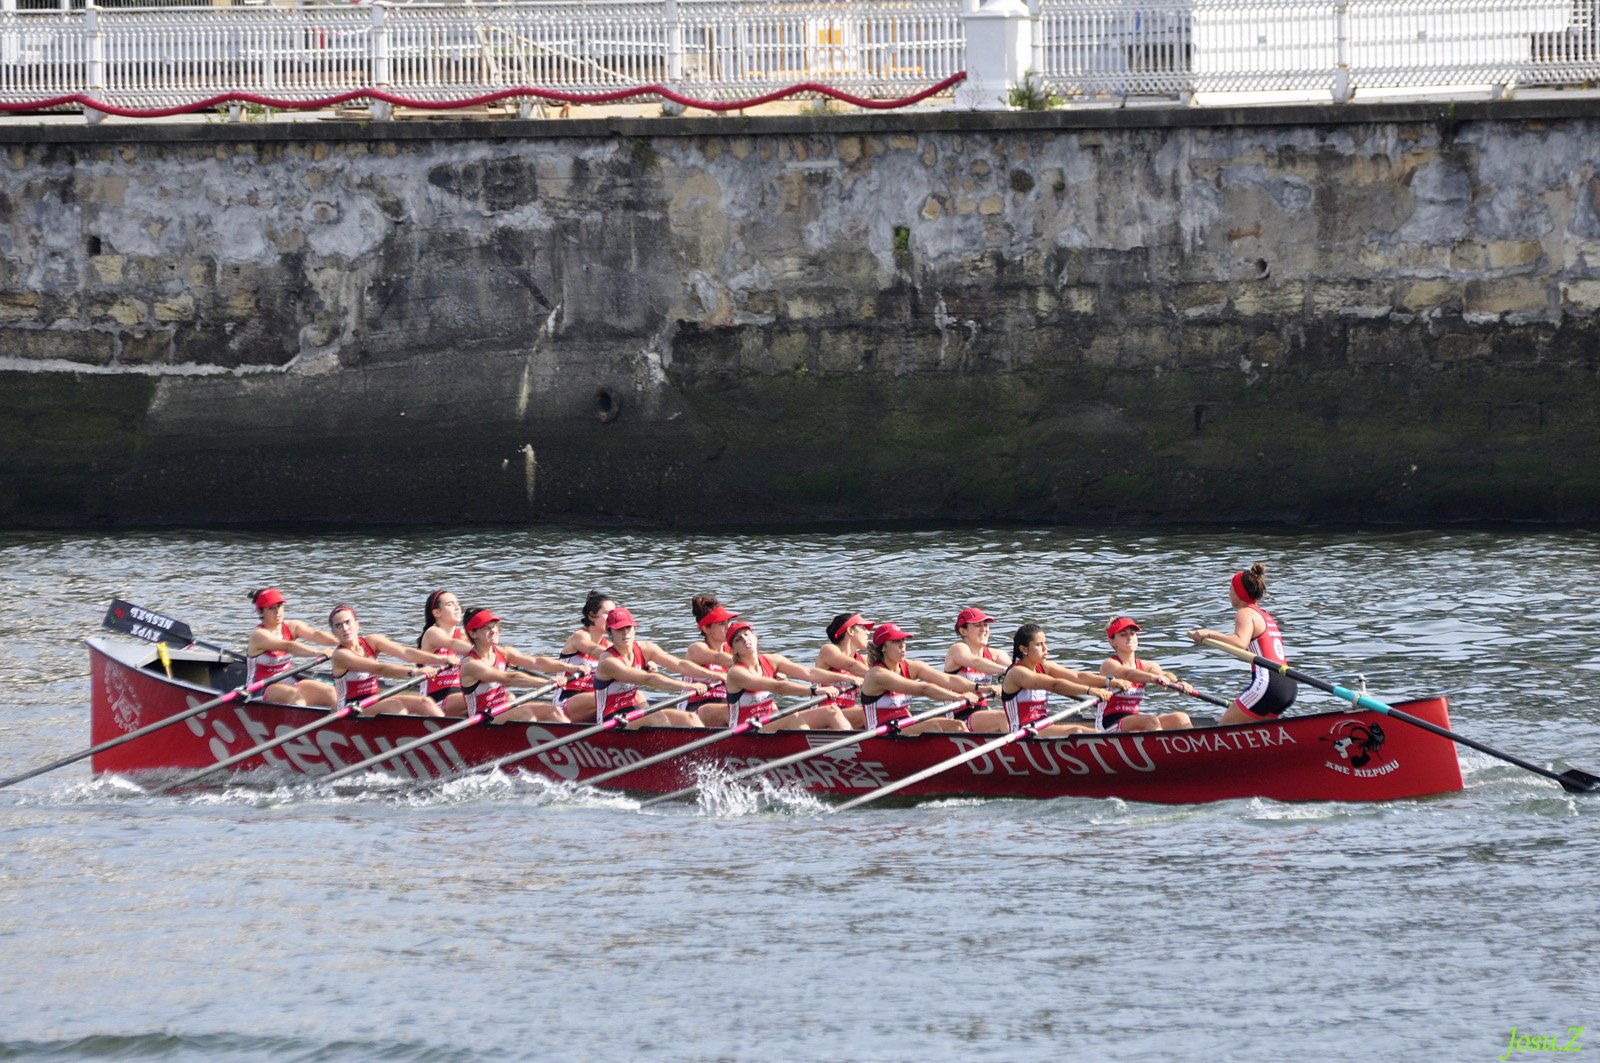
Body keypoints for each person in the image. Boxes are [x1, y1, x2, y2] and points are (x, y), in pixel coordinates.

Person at [1188, 563, 1297, 725]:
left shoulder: (1245, 612)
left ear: (1239, 593)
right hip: (1288, 684)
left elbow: (1240, 642)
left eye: (1230, 589)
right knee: (1260, 733)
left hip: (1268, 684)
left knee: (1223, 729)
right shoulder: (1265, 615)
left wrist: (1209, 633)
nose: (1228, 593)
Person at [979, 624, 1130, 737]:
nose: (1046, 649)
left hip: (1042, 727)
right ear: (1024, 649)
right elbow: (1054, 684)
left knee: (1094, 733)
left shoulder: (1043, 666)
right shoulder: (1017, 673)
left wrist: (1109, 682)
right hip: (1023, 733)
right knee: (1076, 731)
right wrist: (1089, 691)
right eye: (1039, 645)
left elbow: (1077, 676)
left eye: (1045, 643)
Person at [593, 606, 715, 728]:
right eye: (619, 629)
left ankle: (702, 741)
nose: (625, 633)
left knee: (690, 718)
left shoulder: (645, 649)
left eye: (628, 627)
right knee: (657, 718)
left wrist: (715, 675)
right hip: (610, 721)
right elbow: (648, 679)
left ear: (634, 629)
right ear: (609, 632)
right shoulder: (608, 661)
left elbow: (679, 664)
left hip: (632, 711)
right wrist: (689, 686)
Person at [724, 620, 853, 731]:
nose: (744, 639)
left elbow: (809, 673)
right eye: (738, 639)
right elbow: (777, 687)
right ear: (733, 650)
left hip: (769, 721)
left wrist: (846, 678)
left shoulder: (772, 660)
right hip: (746, 730)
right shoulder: (736, 672)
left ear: (755, 637)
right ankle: (811, 749)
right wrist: (814, 690)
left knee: (831, 711)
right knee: (794, 718)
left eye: (746, 634)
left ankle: (853, 748)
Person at [457, 607, 574, 724]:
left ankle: (570, 734)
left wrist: (571, 668)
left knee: (554, 711)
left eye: (494, 626)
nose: (493, 631)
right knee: (525, 713)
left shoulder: (504, 652)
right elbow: (509, 679)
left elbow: (536, 662)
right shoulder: (471, 664)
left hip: (502, 711)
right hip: (482, 720)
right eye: (487, 628)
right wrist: (546, 682)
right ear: (473, 634)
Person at [858, 623, 977, 734]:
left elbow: (948, 679)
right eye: (896, 641)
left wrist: (980, 688)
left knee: (958, 725)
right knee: (933, 727)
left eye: (903, 640)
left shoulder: (910, 666)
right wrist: (957, 697)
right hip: (881, 733)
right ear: (883, 647)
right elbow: (924, 689)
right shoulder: (877, 674)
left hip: (903, 725)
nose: (902, 645)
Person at [326, 604, 444, 717]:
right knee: (394, 705)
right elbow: (379, 668)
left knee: (425, 702)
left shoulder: (372, 641)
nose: (345, 628)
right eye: (338, 626)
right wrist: (414, 671)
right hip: (350, 709)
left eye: (348, 622)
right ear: (334, 633)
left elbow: (405, 652)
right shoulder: (340, 655)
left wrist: (441, 659)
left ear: (357, 624)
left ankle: (445, 728)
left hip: (372, 701)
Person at [244, 587, 337, 708]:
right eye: (271, 608)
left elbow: (316, 635)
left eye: (279, 606)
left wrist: (344, 639)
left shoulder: (292, 626)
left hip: (287, 681)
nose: (277, 612)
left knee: (330, 692)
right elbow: (289, 646)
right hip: (259, 689)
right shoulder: (259, 635)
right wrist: (318, 652)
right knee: (296, 696)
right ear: (261, 612)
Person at [1097, 616, 1194, 732]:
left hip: (1134, 721)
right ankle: (1158, 742)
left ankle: (1196, 743)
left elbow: (1163, 674)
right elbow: (1128, 674)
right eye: (1123, 635)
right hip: (1110, 723)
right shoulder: (1109, 665)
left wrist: (1178, 683)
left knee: (1181, 718)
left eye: (1132, 634)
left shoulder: (1146, 666)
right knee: (1150, 720)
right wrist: (1153, 678)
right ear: (1112, 642)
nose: (1129, 638)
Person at [553, 591, 614, 723]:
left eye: (614, 614)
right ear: (592, 616)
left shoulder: (609, 646)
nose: (613, 618)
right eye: (608, 613)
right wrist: (624, 657)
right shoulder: (579, 637)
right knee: (608, 697)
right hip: (564, 706)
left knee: (633, 696)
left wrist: (643, 663)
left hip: (592, 703)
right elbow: (593, 650)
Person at [942, 606, 1006, 719]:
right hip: (958, 718)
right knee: (1002, 717)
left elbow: (1018, 668)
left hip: (982, 714)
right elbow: (975, 662)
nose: (983, 629)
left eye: (985, 625)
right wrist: (1006, 670)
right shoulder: (957, 649)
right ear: (963, 631)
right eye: (977, 625)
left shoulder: (996, 654)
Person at [683, 595, 738, 727]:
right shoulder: (696, 649)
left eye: (728, 622)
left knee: (768, 707)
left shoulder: (732, 650)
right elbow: (718, 658)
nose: (728, 627)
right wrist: (750, 664)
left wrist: (770, 670)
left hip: (725, 704)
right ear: (706, 629)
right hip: (696, 710)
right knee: (730, 711)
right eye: (721, 624)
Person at [815, 612, 874, 728]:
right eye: (863, 628)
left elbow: (886, 668)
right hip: (824, 715)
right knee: (866, 713)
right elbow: (850, 666)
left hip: (845, 714)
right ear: (850, 631)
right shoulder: (828, 650)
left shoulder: (862, 660)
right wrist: (876, 678)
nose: (868, 632)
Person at [417, 589, 469, 714]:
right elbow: (451, 643)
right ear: (437, 612)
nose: (457, 608)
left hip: (460, 696)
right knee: (479, 697)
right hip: (435, 701)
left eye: (458, 604)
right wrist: (480, 651)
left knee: (506, 697)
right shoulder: (432, 633)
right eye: (450, 604)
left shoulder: (464, 636)